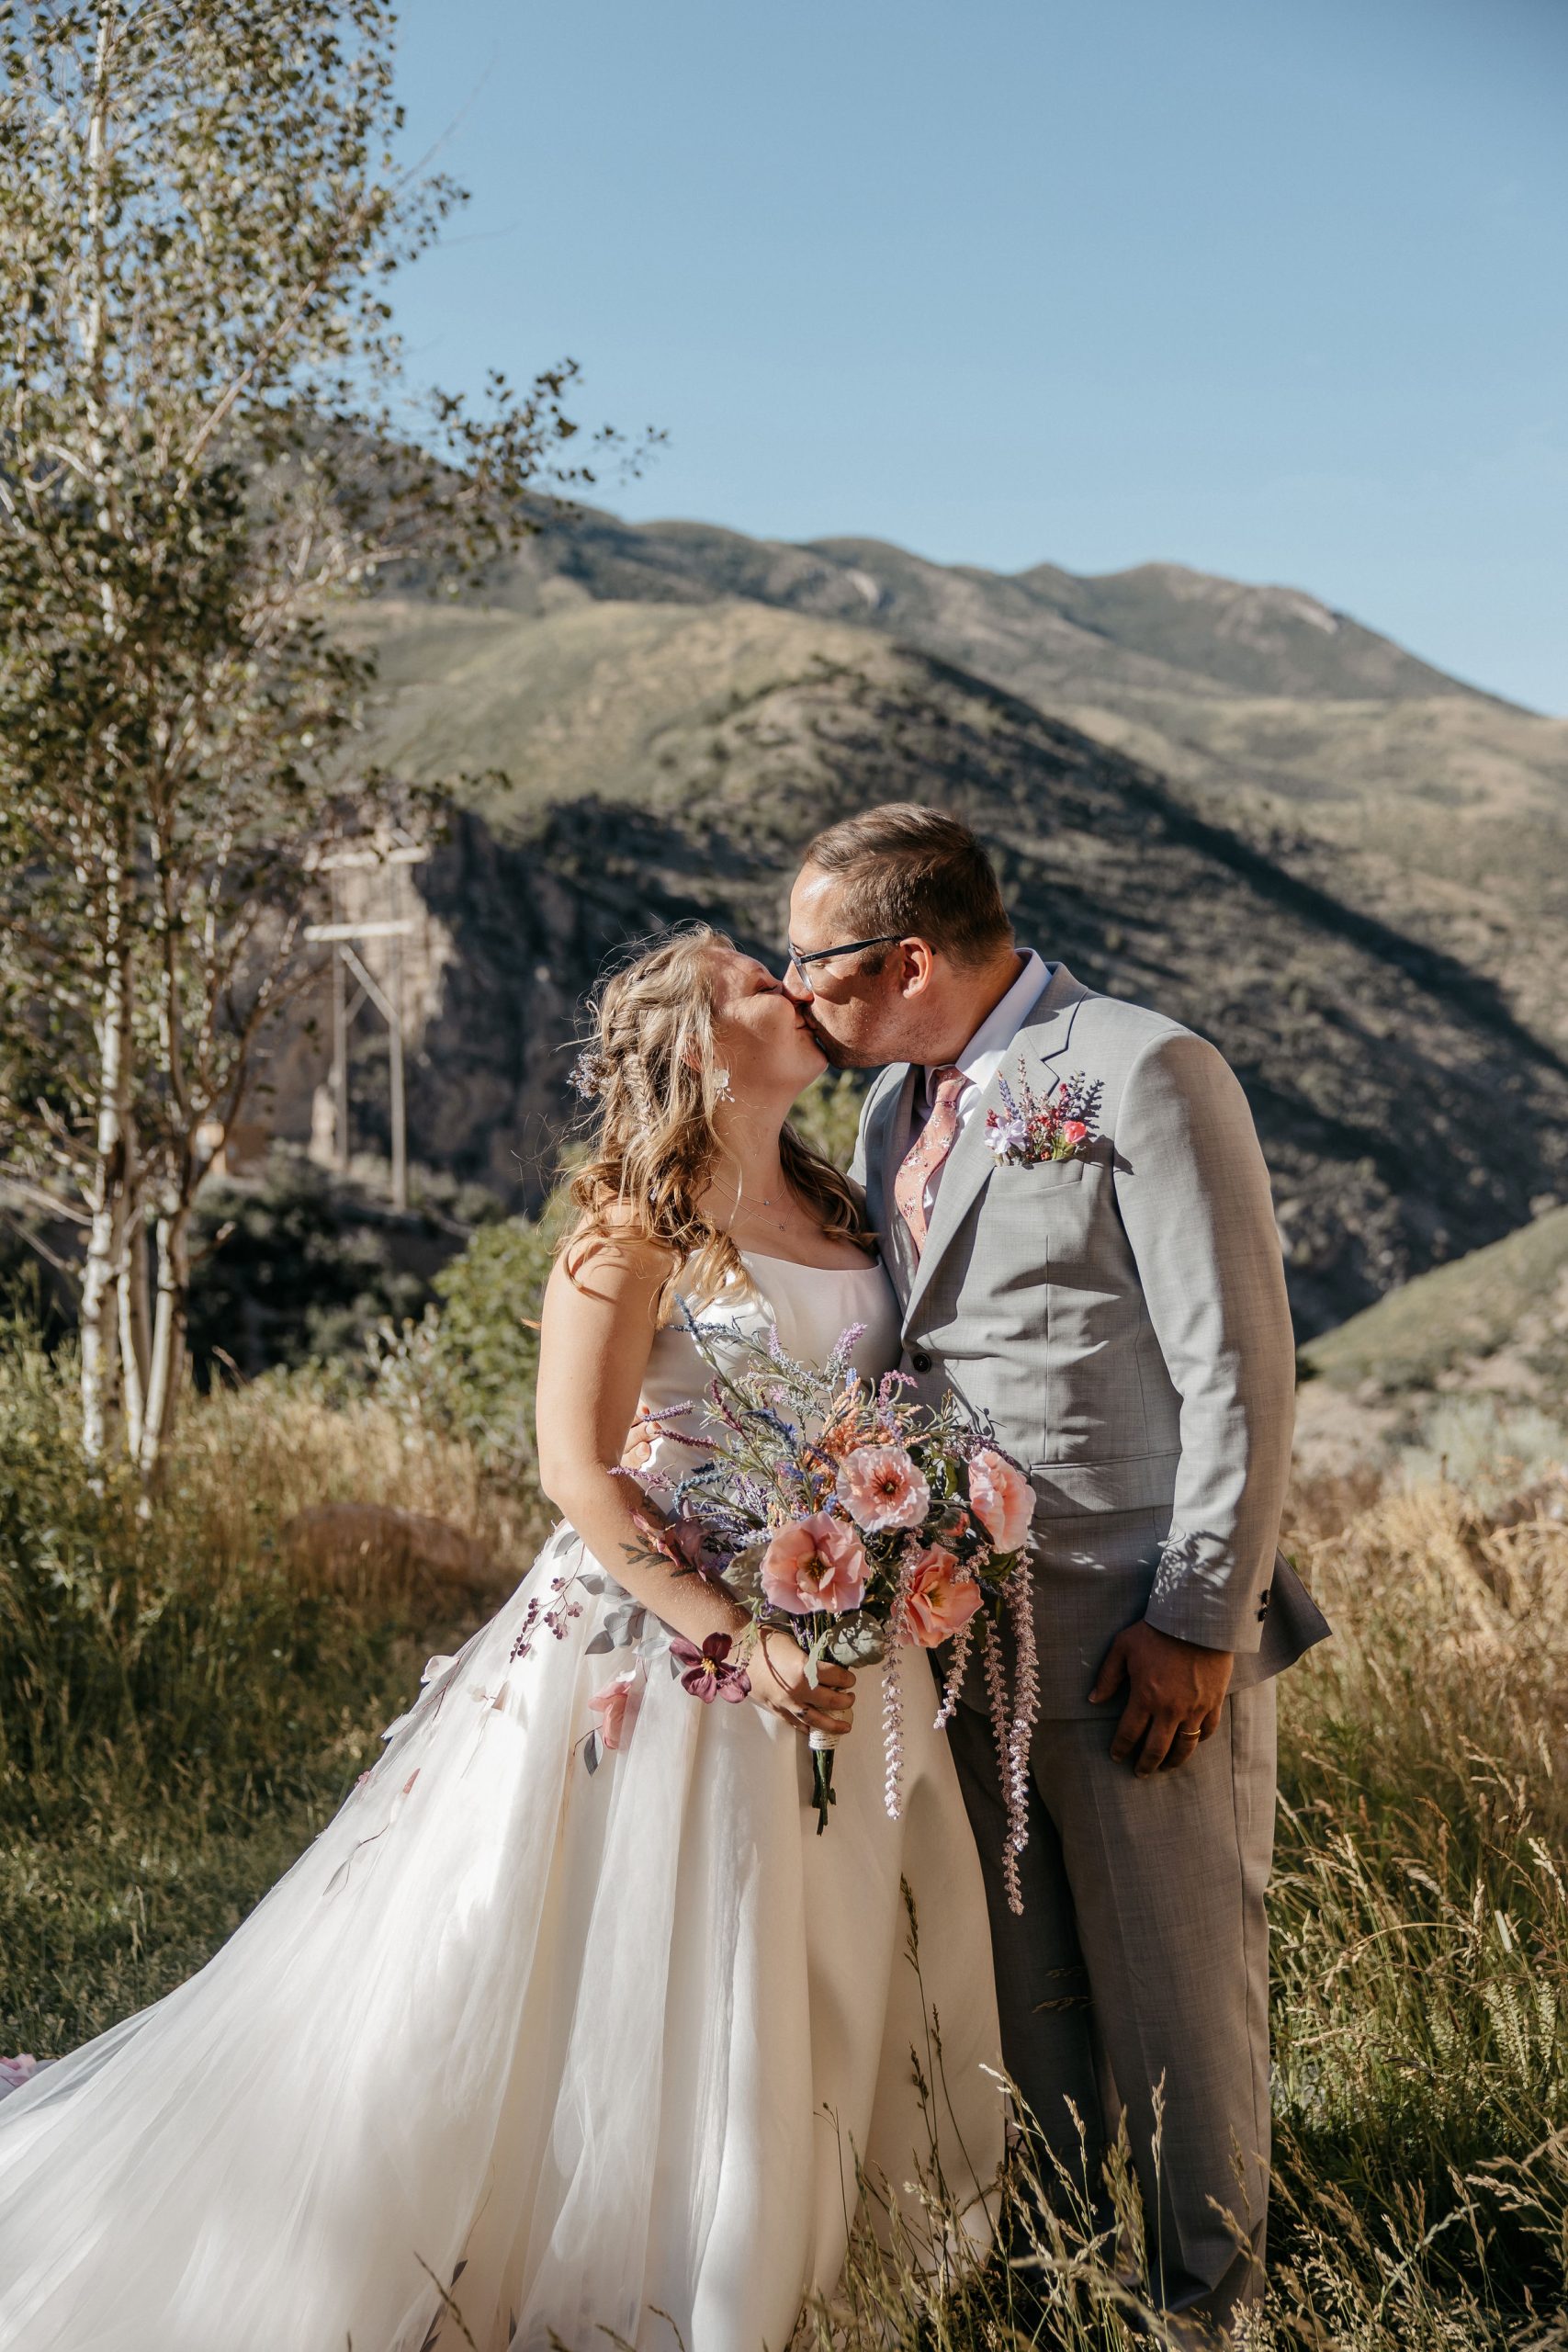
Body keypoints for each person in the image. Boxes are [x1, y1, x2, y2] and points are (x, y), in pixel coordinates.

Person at [0, 927, 1004, 2352]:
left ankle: (828, 2261)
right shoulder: (630, 1229)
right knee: (635, 1964)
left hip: (840, 1639)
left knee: (825, 1954)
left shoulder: (847, 1210)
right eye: (753, 978)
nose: (792, 982)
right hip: (668, 1650)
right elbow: (578, 1472)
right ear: (700, 1042)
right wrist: (732, 1633)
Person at [784, 802, 1330, 2338]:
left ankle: (1206, 2311)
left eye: (811, 962)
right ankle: (1082, 2293)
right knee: (1031, 2010)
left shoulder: (1147, 1069)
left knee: (1178, 2003)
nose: (791, 988)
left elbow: (1242, 1366)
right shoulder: (893, 1106)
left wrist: (1200, 1614)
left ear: (905, 956)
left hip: (1138, 1629)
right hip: (962, 1637)